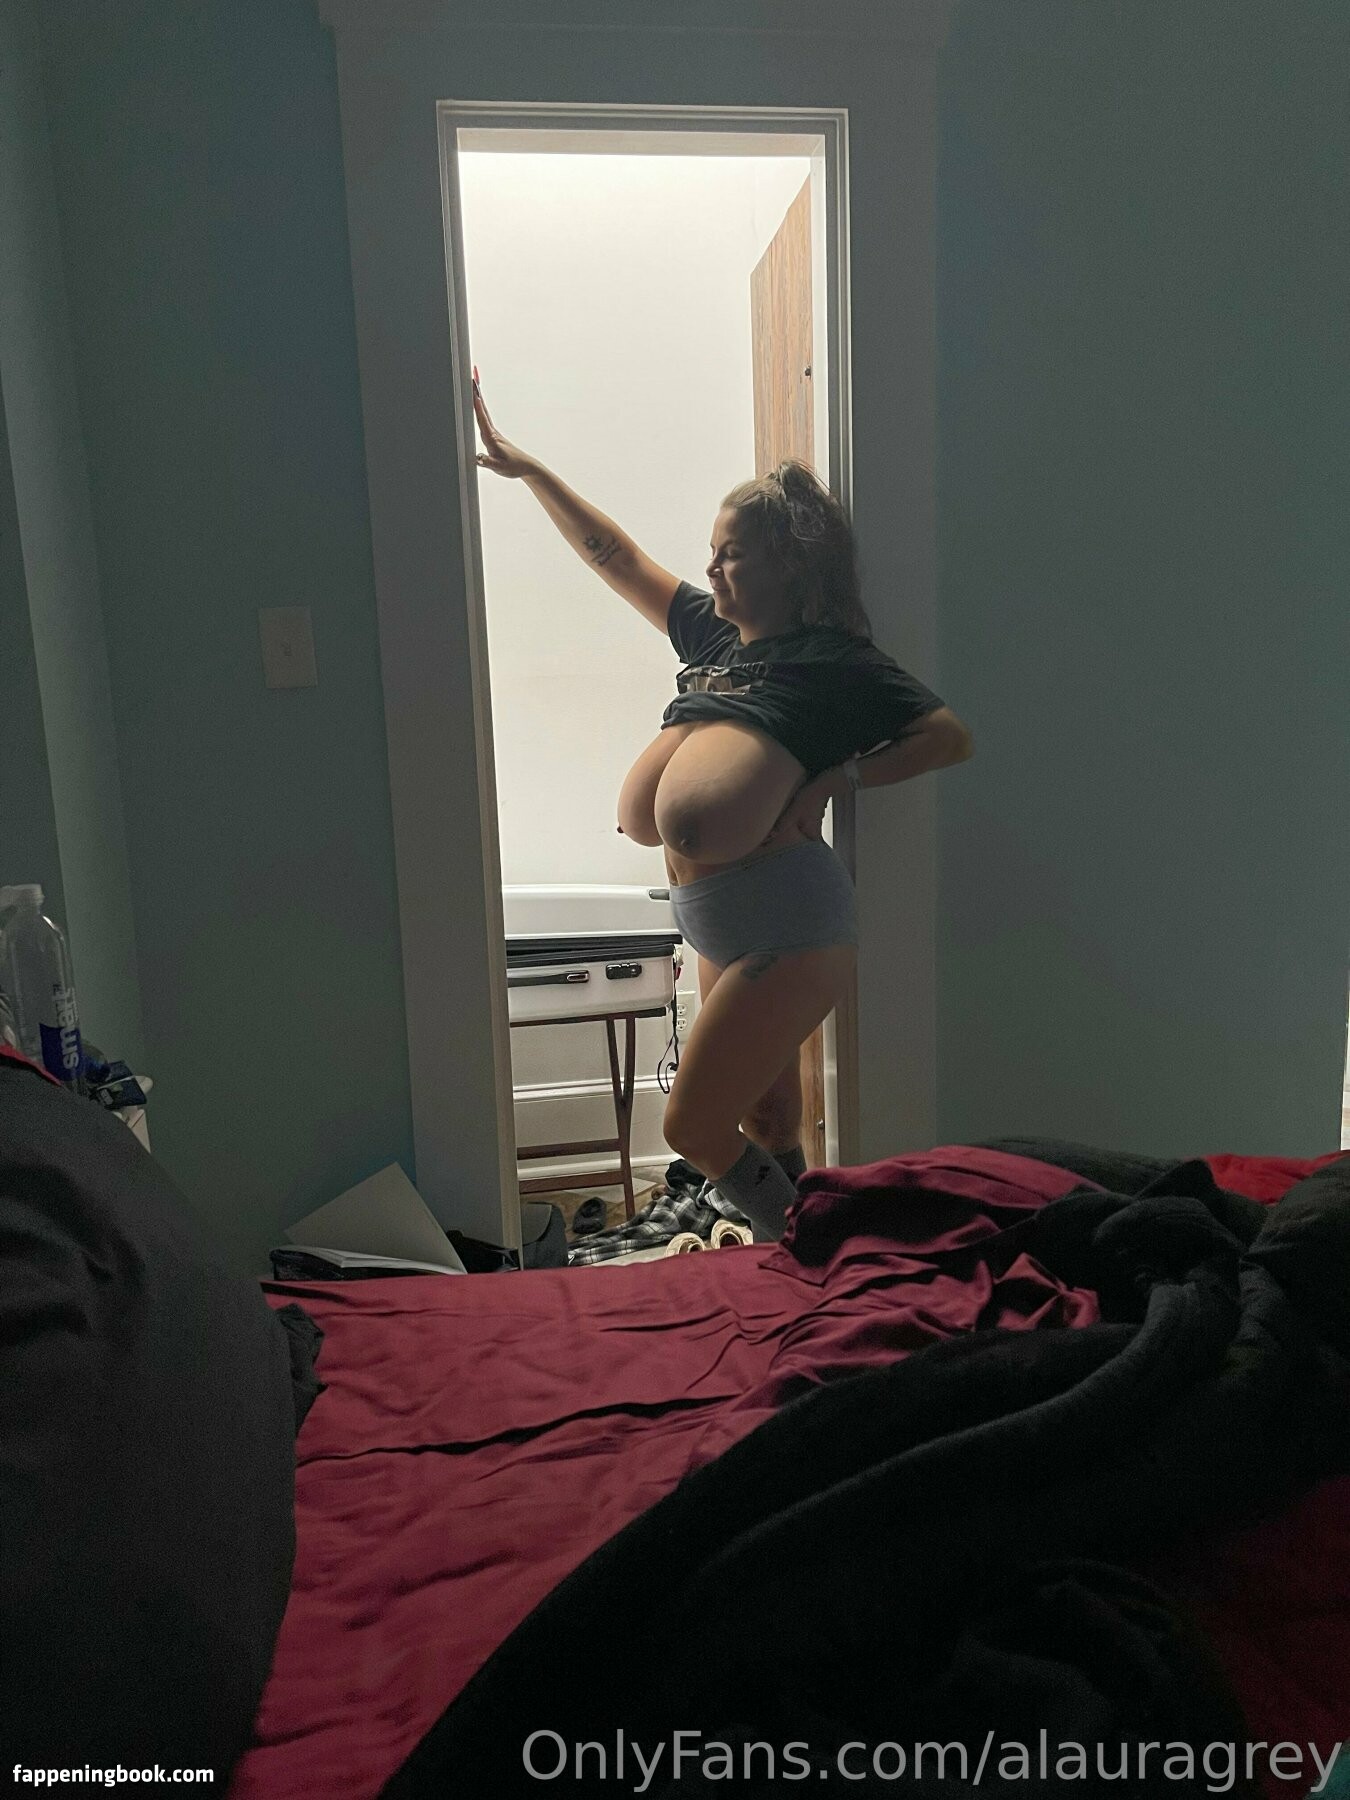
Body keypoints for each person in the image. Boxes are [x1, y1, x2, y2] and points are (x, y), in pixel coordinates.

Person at [473, 379, 973, 1241]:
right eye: (711, 552)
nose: (710, 569)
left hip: (790, 926)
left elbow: (947, 736)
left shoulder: (833, 661)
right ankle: (791, 1242)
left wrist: (839, 779)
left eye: (731, 554)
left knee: (691, 1128)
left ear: (789, 565)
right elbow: (614, 556)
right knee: (765, 1120)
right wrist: (531, 472)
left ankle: (814, 1251)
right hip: (716, 922)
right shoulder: (711, 632)